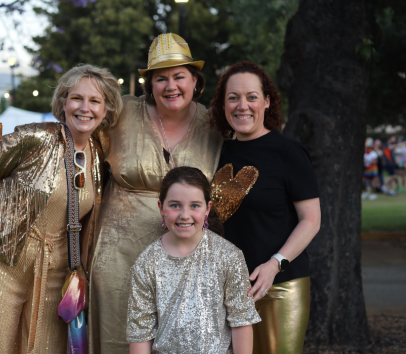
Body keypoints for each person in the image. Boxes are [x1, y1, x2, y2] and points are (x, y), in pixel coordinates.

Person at [0, 64, 122, 354]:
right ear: (63, 103)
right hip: (1, 262)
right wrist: (4, 220)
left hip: (56, 268)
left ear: (106, 109)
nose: (85, 108)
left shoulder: (98, 157)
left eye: (95, 101)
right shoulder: (36, 138)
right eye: (77, 98)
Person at [88, 33, 224, 354]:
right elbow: (80, 138)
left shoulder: (215, 126)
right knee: (116, 339)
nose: (170, 86)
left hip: (185, 254)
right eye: (160, 78)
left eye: (179, 76)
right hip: (118, 253)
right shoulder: (121, 114)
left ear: (195, 80)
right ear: (149, 84)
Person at [209, 61, 321, 354]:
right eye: (233, 97)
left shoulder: (288, 153)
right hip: (226, 288)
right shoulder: (217, 152)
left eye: (251, 97)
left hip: (279, 285)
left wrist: (275, 264)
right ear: (223, 105)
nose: (242, 105)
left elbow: (311, 220)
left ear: (267, 101)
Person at [126, 167, 260, 354]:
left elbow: (242, 321)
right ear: (160, 208)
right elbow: (140, 333)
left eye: (194, 206)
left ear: (208, 208)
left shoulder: (229, 256)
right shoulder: (147, 262)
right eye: (175, 205)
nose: (185, 215)